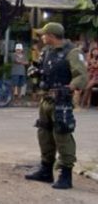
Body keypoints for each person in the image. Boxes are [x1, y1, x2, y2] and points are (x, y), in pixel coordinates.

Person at [24, 23, 88, 190]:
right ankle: (46, 170)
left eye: (44, 35)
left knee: (62, 135)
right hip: (45, 99)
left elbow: (81, 76)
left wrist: (69, 88)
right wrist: (34, 70)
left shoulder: (72, 53)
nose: (42, 37)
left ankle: (65, 175)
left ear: (51, 35)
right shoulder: (46, 52)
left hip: (61, 101)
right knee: (44, 133)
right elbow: (39, 67)